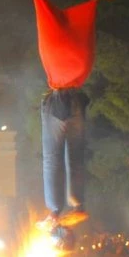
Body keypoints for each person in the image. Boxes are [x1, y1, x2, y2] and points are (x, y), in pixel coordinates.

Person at [37, 87, 90, 231]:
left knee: (52, 159)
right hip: (76, 102)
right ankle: (78, 205)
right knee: (76, 158)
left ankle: (55, 210)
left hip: (57, 103)